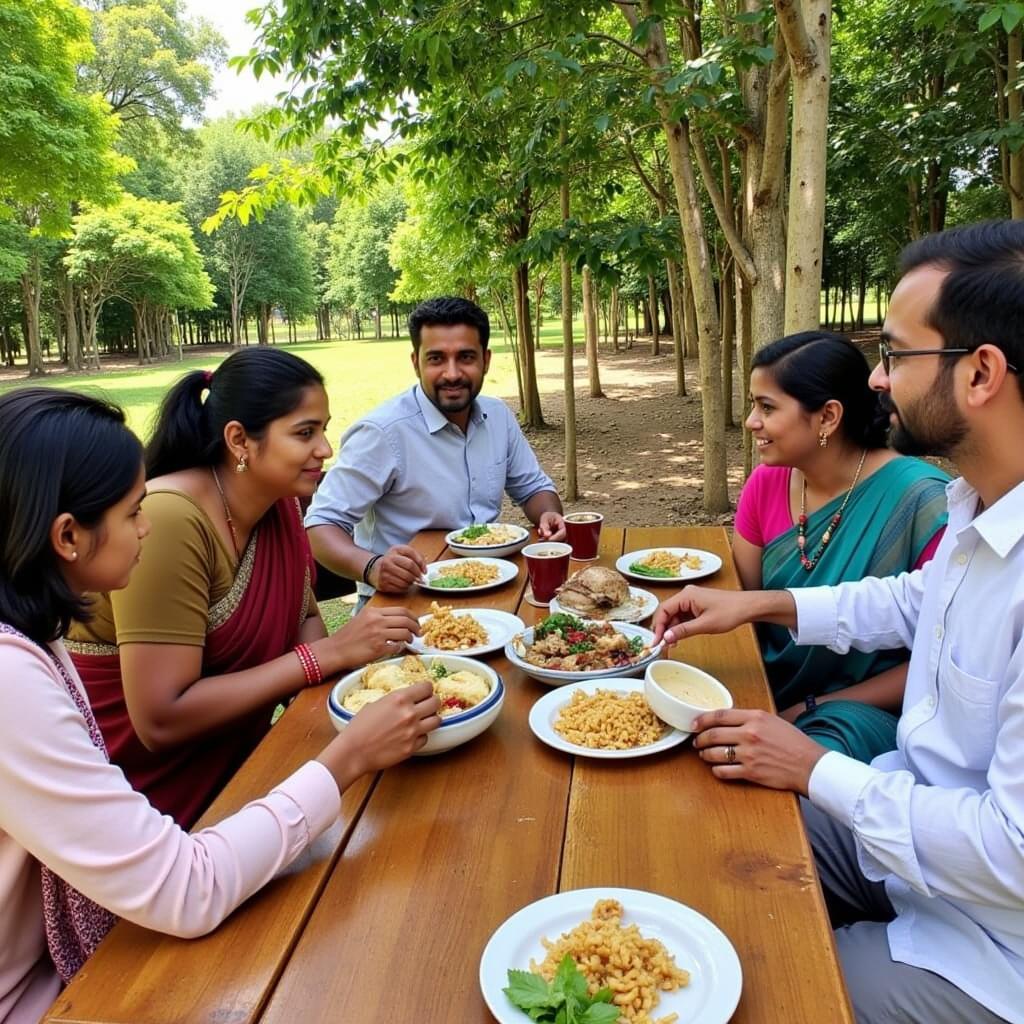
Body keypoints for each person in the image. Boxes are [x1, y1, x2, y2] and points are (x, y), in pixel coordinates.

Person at [653, 220, 1024, 1023]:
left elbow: (1012, 854)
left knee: (757, 977)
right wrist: (757, 603)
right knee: (705, 838)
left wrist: (813, 764)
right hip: (904, 829)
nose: (880, 381)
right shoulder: (975, 508)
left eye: (896, 354)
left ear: (981, 373)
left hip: (994, 938)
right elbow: (909, 603)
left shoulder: (937, 500)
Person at [0, 388, 440, 1024]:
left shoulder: (32, 630)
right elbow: (187, 889)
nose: (147, 526)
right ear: (67, 536)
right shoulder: (12, 681)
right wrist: (347, 759)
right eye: (131, 513)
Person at [67, 349, 422, 827]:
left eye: (323, 428)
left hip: (249, 762)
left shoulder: (279, 504)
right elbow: (160, 719)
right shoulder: (169, 520)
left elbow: (304, 619)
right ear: (239, 439)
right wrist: (328, 657)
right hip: (145, 802)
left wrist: (360, 689)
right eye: (305, 432)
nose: (325, 449)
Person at [734, 330, 948, 761]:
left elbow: (936, 661)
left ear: (828, 416)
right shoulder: (768, 482)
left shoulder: (924, 503)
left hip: (860, 714)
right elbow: (744, 607)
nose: (750, 421)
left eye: (767, 407)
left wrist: (811, 707)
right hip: (762, 687)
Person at [305, 296, 565, 601]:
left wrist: (548, 514)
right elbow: (321, 526)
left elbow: (533, 488)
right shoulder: (383, 432)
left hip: (492, 584)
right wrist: (373, 567)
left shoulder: (497, 417)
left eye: (466, 357)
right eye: (436, 358)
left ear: (486, 360)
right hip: (404, 600)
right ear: (416, 363)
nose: (452, 373)